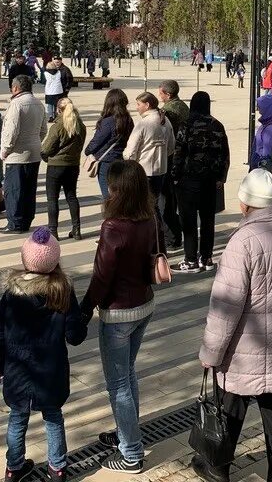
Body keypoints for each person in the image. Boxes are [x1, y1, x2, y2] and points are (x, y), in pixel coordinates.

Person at [194, 168, 272, 482]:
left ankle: (217, 468)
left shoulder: (241, 241)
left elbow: (225, 307)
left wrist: (211, 353)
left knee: (228, 411)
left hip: (245, 351)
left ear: (245, 203)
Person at [79, 160, 158, 474]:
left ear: (119, 191)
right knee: (128, 374)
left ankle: (131, 453)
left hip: (118, 313)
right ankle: (128, 432)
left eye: (111, 186)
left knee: (118, 384)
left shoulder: (114, 227)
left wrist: (84, 309)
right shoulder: (148, 217)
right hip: (144, 305)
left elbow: (102, 277)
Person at [0, 227, 87, 482]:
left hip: (17, 370)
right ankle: (57, 468)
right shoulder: (62, 291)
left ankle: (14, 467)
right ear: (55, 261)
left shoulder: (12, 294)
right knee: (53, 418)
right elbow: (75, 336)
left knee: (17, 418)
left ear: (25, 261)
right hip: (51, 372)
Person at [173, 91, 230, 273]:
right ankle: (206, 257)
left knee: (188, 221)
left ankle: (190, 260)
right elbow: (224, 154)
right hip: (210, 181)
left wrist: (174, 176)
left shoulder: (187, 125)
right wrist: (221, 177)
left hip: (189, 180)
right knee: (207, 220)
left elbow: (179, 152)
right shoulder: (217, 125)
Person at [124, 92, 176, 246]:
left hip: (144, 170)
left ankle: (160, 237)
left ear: (147, 105)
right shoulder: (165, 121)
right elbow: (172, 146)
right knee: (153, 205)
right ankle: (161, 236)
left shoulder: (144, 123)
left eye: (138, 104)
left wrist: (129, 162)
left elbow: (130, 150)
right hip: (161, 169)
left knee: (146, 207)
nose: (137, 107)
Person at [0, 75, 48, 235]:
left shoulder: (16, 104)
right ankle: (26, 219)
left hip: (17, 154)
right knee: (29, 188)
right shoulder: (39, 103)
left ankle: (14, 222)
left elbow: (11, 131)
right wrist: (35, 141)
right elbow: (43, 130)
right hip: (34, 152)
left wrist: (5, 150)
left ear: (15, 88)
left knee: (14, 189)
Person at [41, 97, 87, 240]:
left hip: (56, 165)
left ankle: (53, 230)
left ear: (59, 110)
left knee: (52, 199)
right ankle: (77, 229)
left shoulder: (58, 126)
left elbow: (47, 147)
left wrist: (45, 155)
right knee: (71, 196)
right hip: (73, 165)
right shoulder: (81, 126)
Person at [85, 88, 134, 199]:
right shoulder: (128, 120)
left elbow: (96, 141)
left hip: (107, 162)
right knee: (119, 194)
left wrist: (87, 151)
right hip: (121, 159)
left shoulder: (108, 121)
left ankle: (112, 215)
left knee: (108, 195)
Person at [159, 80, 189, 249]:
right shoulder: (184, 106)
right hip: (183, 159)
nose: (159, 96)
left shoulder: (168, 111)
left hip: (171, 159)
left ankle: (173, 236)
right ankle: (176, 234)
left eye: (161, 93)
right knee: (173, 201)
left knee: (166, 202)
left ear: (168, 95)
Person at [250, 94, 272, 170]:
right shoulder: (267, 124)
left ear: (266, 107)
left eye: (260, 106)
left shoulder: (270, 130)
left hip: (263, 174)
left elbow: (268, 157)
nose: (258, 109)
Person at [42, 55, 74, 120]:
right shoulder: (53, 70)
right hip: (58, 90)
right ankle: (55, 116)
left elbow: (70, 79)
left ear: (61, 62)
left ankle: (60, 116)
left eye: (58, 62)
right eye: (55, 62)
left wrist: (67, 89)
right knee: (55, 104)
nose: (56, 64)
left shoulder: (65, 69)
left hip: (63, 90)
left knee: (61, 104)